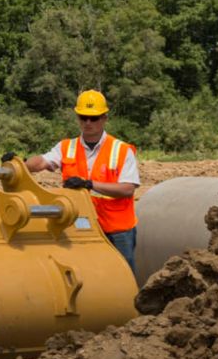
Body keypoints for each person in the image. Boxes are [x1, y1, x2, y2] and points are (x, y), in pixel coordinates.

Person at [26, 90, 141, 274]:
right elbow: (41, 162)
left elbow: (127, 189)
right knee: (86, 275)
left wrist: (89, 184)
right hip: (80, 227)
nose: (88, 123)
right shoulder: (66, 147)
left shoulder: (121, 150)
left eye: (93, 118)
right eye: (83, 117)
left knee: (122, 277)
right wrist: (20, 164)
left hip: (117, 230)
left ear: (104, 118)